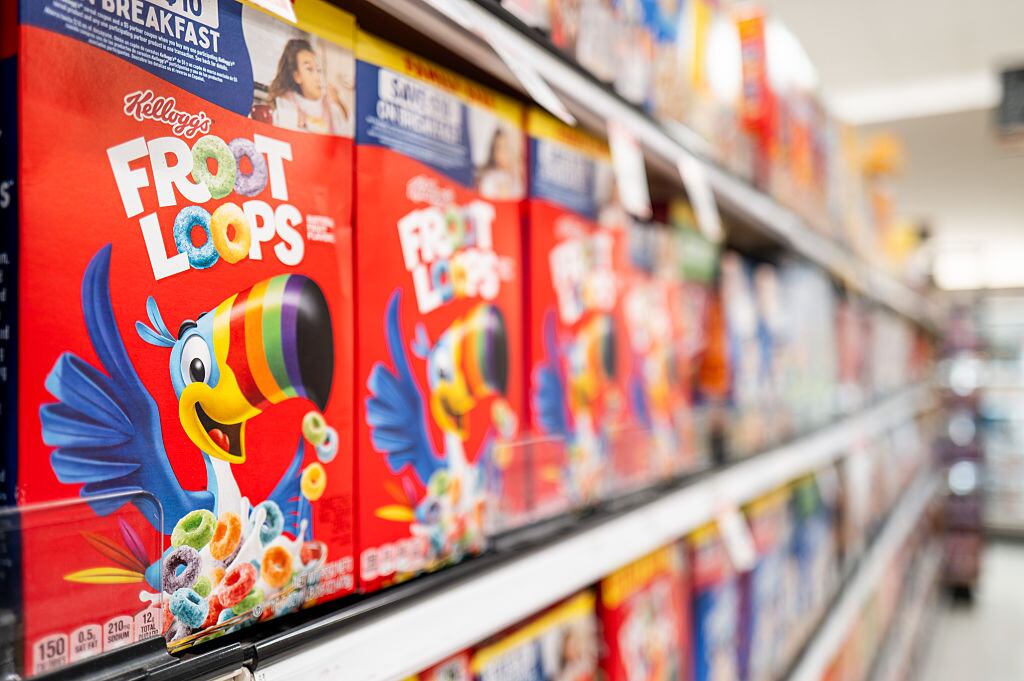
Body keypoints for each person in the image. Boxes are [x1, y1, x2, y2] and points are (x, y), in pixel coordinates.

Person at [267, 38, 349, 135]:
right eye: (309, 69)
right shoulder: (286, 106)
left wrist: (339, 103)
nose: (318, 77)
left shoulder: (332, 110)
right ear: (297, 76)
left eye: (319, 70)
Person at [477, 128, 524, 200]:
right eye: (498, 148)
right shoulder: (489, 178)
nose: (502, 153)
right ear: (493, 152)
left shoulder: (519, 177)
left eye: (506, 147)